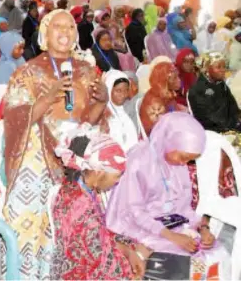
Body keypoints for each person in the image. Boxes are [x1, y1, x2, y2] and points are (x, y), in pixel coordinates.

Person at [3, 9, 109, 280]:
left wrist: (101, 100)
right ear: (44, 34)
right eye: (57, 27)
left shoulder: (87, 71)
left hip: (75, 156)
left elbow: (89, 123)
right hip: (37, 156)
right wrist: (48, 97)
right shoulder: (27, 71)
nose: (65, 32)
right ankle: (26, 273)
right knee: (30, 214)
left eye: (70, 27)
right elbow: (15, 121)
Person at [106, 112, 231, 281]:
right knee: (188, 263)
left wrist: (202, 228)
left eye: (189, 160)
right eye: (183, 157)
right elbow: (133, 212)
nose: (183, 163)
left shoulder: (175, 161)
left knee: (216, 254)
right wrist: (172, 236)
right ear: (169, 141)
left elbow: (183, 207)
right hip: (139, 227)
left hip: (171, 225)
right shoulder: (138, 160)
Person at [51, 125, 145, 280]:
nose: (117, 181)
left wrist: (129, 251)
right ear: (99, 171)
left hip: (90, 261)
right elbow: (96, 258)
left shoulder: (84, 189)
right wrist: (128, 272)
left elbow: (99, 237)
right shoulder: (78, 203)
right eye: (117, 176)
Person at [189, 52, 241, 132]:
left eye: (224, 67)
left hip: (230, 127)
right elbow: (208, 119)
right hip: (213, 133)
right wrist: (231, 127)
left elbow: (233, 107)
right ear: (206, 69)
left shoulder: (221, 84)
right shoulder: (197, 90)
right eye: (218, 67)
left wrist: (236, 122)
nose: (223, 70)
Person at [139, 60, 183, 136]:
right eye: (174, 78)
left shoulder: (166, 94)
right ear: (164, 81)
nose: (179, 80)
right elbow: (159, 131)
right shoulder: (154, 102)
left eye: (178, 76)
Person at [104, 70, 139, 151]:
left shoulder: (125, 113)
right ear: (109, 90)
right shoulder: (103, 117)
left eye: (126, 90)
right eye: (118, 91)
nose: (123, 95)